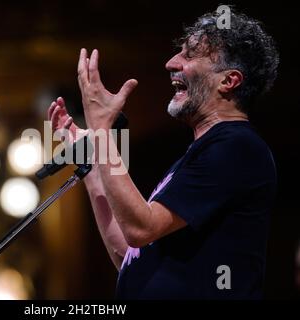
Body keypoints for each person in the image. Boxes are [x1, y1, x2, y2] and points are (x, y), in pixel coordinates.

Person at [47, 9, 279, 299]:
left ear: (228, 81)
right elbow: (129, 254)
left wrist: (102, 129)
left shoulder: (237, 148)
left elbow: (140, 228)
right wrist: (93, 164)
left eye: (190, 55)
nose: (171, 63)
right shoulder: (201, 155)